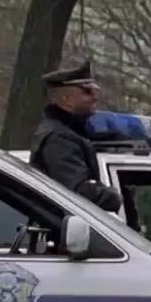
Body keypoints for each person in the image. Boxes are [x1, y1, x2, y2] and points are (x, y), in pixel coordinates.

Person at [29, 59, 122, 214]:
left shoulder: (69, 132)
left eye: (94, 91)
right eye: (87, 92)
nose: (94, 98)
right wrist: (114, 196)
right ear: (67, 99)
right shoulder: (59, 139)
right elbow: (78, 192)